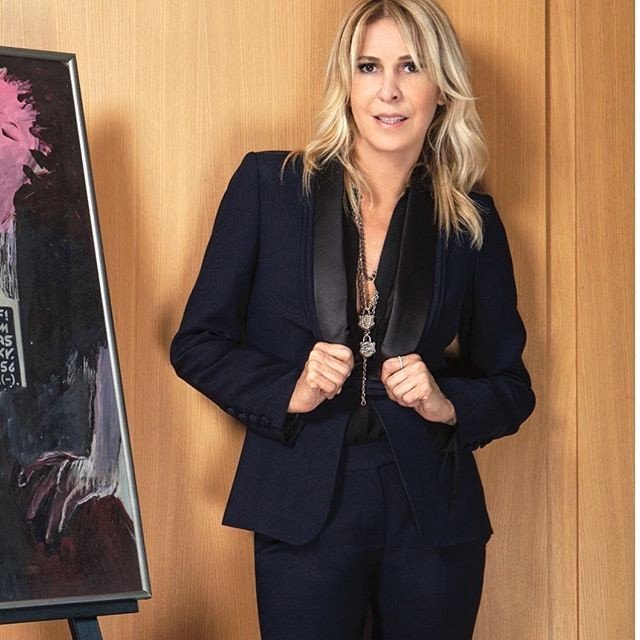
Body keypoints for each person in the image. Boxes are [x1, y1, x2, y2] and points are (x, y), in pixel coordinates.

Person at [170, 0, 536, 637]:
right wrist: (291, 389)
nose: (388, 90)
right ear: (345, 82)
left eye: (411, 67)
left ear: (442, 89)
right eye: (369, 67)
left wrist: (446, 403)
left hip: (433, 518)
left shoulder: (472, 221)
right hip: (299, 505)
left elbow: (511, 385)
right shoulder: (268, 186)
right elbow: (197, 343)